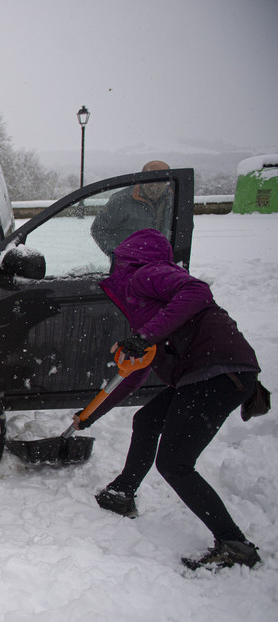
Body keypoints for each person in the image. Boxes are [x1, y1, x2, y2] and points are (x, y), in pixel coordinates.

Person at [75, 228, 263, 570]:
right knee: (146, 420)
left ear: (128, 256)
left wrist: (146, 335)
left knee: (175, 464)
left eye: (116, 258)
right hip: (207, 374)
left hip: (217, 372)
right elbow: (133, 374)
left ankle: (234, 543)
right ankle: (123, 492)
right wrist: (90, 415)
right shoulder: (146, 305)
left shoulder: (147, 273)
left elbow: (197, 291)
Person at [91, 160, 173, 256]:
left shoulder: (174, 200)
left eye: (160, 182)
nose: (155, 186)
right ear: (142, 180)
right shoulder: (121, 200)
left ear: (167, 182)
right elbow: (99, 228)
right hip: (130, 266)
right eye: (151, 182)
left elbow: (183, 231)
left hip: (164, 264)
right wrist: (118, 253)